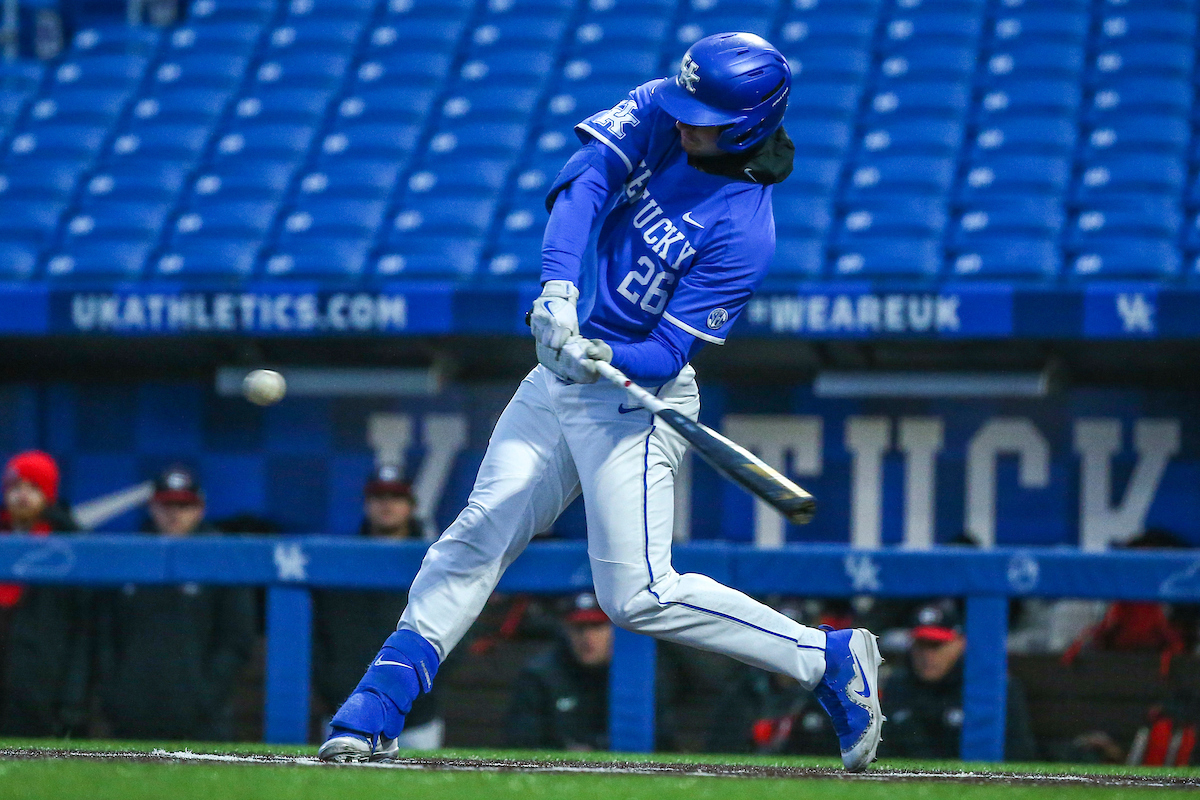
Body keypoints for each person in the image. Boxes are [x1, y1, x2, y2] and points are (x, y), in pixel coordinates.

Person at [319, 32, 883, 771]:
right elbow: (585, 179)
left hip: (633, 401)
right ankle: (375, 708)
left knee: (639, 595)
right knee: (478, 532)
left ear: (747, 124)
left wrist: (603, 355)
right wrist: (558, 287)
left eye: (703, 117)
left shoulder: (744, 230)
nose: (684, 123)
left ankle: (828, 656)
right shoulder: (661, 108)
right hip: (566, 367)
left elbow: (666, 355)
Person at [96, 465, 256, 740]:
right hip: (131, 716)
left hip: (202, 722)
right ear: (151, 507)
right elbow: (103, 635)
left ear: (200, 509)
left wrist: (204, 696)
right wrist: (117, 694)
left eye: (184, 506)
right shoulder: (129, 557)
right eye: (166, 505)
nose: (174, 513)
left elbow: (237, 640)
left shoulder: (223, 559)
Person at [313, 465, 447, 749]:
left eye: (396, 497)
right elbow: (316, 634)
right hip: (347, 709)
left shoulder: (434, 561)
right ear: (366, 504)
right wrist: (332, 686)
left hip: (417, 716)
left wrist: (424, 688)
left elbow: (454, 631)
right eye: (379, 497)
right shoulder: (341, 561)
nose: (387, 505)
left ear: (411, 506)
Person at [0, 450, 91, 736]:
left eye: (33, 487)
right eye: (15, 487)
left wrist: (72, 701)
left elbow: (83, 633)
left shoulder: (68, 547)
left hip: (43, 688)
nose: (22, 496)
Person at [879, 601, 1037, 761]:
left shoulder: (992, 687)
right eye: (921, 645)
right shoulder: (898, 685)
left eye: (936, 646)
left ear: (960, 644)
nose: (927, 656)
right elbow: (882, 751)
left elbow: (1020, 754)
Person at [505, 593, 615, 751]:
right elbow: (521, 738)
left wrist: (597, 746)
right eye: (579, 628)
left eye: (597, 626)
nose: (588, 637)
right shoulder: (540, 676)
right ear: (565, 630)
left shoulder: (636, 676)